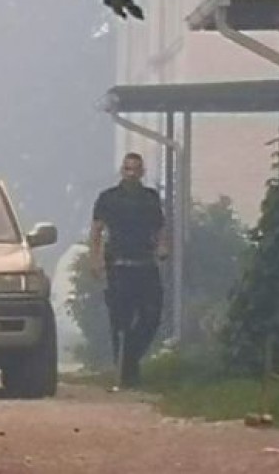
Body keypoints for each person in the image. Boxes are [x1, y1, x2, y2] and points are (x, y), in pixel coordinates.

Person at [90, 152, 168, 389]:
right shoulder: (108, 198)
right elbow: (96, 230)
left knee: (151, 317)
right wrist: (95, 259)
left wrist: (162, 247)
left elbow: (160, 227)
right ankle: (124, 374)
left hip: (145, 264)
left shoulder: (150, 198)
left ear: (142, 172)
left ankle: (130, 359)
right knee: (120, 321)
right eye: (127, 169)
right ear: (122, 171)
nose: (131, 173)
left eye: (136, 169)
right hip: (119, 266)